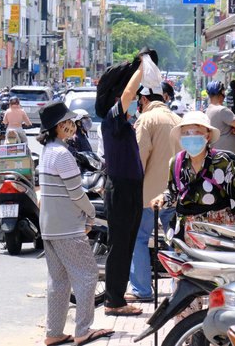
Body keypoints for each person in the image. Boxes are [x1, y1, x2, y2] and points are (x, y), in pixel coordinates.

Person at [37, 101, 112, 346]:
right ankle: (83, 330)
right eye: (67, 122)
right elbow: (77, 194)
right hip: (68, 228)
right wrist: (91, 213)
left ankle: (54, 332)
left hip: (49, 228)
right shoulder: (63, 154)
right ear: (58, 127)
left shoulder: (47, 151)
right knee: (88, 275)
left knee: (58, 281)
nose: (72, 125)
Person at [150, 111, 235, 242]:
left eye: (196, 132)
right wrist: (162, 198)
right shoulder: (176, 162)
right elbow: (174, 192)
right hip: (186, 233)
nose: (190, 136)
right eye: (185, 132)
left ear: (208, 135)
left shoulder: (220, 162)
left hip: (217, 234)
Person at [128, 84, 182, 302]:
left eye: (140, 100)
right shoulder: (178, 120)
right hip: (175, 193)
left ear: (144, 99)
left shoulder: (146, 120)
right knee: (175, 241)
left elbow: (139, 157)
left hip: (149, 195)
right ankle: (178, 289)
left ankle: (142, 291)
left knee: (139, 239)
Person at [100, 56, 145, 316]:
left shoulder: (124, 124)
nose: (136, 102)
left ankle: (117, 295)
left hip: (131, 189)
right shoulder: (112, 119)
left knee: (127, 244)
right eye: (131, 100)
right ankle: (113, 302)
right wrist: (141, 68)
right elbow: (128, 91)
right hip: (121, 189)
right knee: (120, 246)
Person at [204, 81, 235, 154]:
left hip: (216, 152)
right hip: (226, 155)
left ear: (208, 95)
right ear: (222, 93)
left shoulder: (207, 111)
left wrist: (234, 128)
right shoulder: (222, 110)